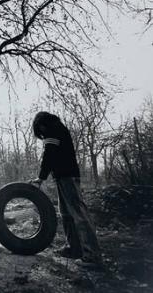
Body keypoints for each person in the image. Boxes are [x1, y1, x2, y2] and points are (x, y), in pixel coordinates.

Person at [30, 111, 102, 265]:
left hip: (67, 176)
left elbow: (48, 155)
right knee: (66, 214)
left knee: (78, 214)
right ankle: (74, 248)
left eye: (41, 132)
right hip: (63, 177)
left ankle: (92, 255)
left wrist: (41, 177)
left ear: (41, 125)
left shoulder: (53, 129)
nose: (42, 135)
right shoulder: (58, 128)